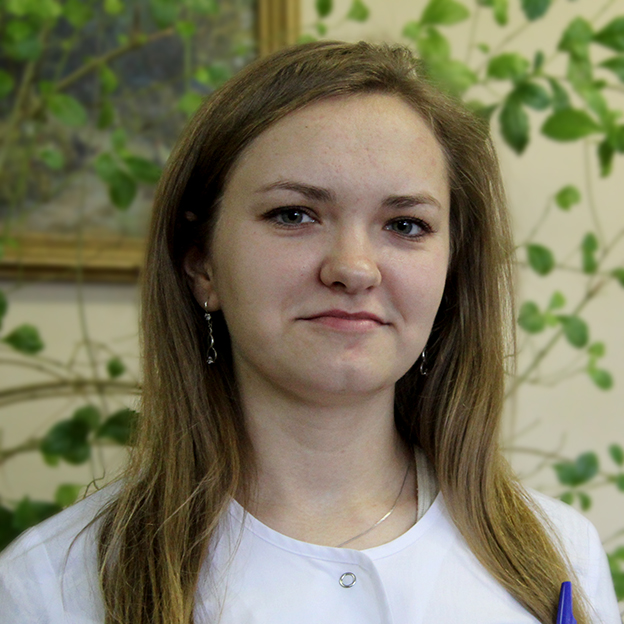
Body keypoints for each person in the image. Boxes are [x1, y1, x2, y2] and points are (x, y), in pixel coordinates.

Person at [0, 41, 620, 624]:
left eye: (405, 224)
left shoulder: (562, 555)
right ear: (202, 265)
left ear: (451, 269)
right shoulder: (52, 586)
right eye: (294, 214)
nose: (354, 268)